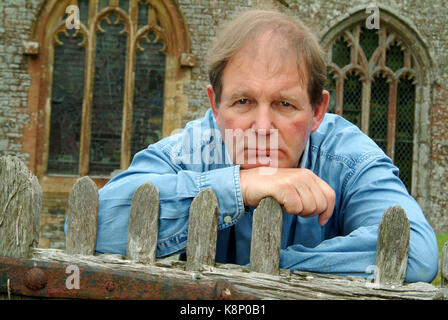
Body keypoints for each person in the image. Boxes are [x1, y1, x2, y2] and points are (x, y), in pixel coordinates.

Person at [94, 9, 438, 282]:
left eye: (284, 104)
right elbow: (100, 222)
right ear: (215, 106)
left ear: (318, 110)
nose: (261, 128)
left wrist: (264, 270)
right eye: (243, 101)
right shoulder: (195, 146)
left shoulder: (347, 158)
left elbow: (415, 253)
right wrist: (238, 187)